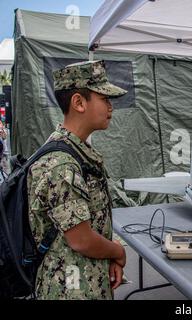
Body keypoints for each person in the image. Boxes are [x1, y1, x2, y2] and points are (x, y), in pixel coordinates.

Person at [27, 60, 128, 299]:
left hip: (87, 282)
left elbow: (92, 223)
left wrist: (108, 255)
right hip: (70, 290)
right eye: (104, 99)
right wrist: (117, 251)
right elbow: (81, 240)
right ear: (79, 103)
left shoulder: (77, 153)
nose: (111, 107)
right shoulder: (61, 164)